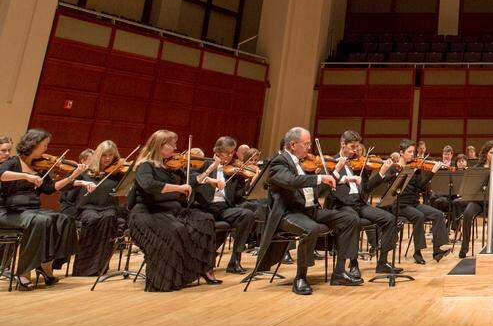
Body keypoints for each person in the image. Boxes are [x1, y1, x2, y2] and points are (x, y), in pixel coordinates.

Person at [252, 126, 361, 294]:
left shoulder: (303, 164)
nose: (309, 148)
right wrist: (318, 178)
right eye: (306, 144)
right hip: (288, 213)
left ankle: (339, 272)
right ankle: (301, 277)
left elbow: (316, 191)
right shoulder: (279, 162)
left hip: (310, 210)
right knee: (311, 228)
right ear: (293, 144)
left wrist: (331, 177)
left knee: (350, 219)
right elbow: (290, 181)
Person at [127, 129, 219, 291]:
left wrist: (209, 173)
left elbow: (190, 181)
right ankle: (165, 279)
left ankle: (198, 270)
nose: (175, 148)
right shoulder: (145, 166)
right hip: (148, 212)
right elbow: (149, 185)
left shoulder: (170, 166)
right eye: (172, 144)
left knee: (205, 219)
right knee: (175, 230)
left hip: (171, 211)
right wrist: (177, 187)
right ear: (160, 146)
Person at [0, 129, 90, 289]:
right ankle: (23, 272)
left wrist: (73, 175)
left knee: (64, 219)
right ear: (32, 145)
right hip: (8, 212)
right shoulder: (13, 162)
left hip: (30, 210)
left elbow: (49, 188)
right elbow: (2, 175)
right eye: (44, 146)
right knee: (40, 220)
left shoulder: (40, 166)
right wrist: (26, 176)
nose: (46, 150)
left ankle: (46, 262)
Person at [326, 131, 401, 276]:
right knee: (353, 220)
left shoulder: (356, 164)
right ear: (343, 144)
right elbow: (328, 190)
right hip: (342, 206)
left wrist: (382, 172)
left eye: (357, 147)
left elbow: (366, 188)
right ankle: (353, 264)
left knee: (389, 218)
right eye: (352, 147)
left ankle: (382, 262)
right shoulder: (332, 163)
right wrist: (338, 171)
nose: (355, 151)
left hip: (359, 204)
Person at [192, 136, 256, 274]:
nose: (229, 156)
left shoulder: (233, 171)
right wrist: (209, 177)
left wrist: (249, 183)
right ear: (217, 151)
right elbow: (193, 180)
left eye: (232, 152)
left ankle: (235, 260)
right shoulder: (205, 164)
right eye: (226, 152)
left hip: (223, 208)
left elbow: (239, 196)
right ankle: (204, 257)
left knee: (247, 215)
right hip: (204, 207)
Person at [72, 139, 128, 276]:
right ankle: (84, 268)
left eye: (111, 155)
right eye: (104, 155)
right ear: (98, 155)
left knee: (108, 219)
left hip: (108, 207)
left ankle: (100, 267)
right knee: (92, 220)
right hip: (88, 208)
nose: (108, 159)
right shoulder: (87, 171)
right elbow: (70, 183)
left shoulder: (118, 172)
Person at [393, 139, 451, 263]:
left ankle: (438, 250)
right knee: (418, 216)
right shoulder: (395, 168)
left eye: (413, 152)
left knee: (438, 214)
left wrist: (432, 172)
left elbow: (419, 186)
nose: (412, 155)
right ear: (401, 152)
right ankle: (417, 252)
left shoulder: (415, 167)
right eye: (409, 152)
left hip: (414, 203)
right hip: (400, 205)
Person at [457, 141, 493, 258]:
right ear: (486, 153)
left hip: (492, 201)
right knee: (467, 213)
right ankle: (464, 247)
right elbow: (471, 187)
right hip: (477, 201)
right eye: (491, 152)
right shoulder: (476, 168)